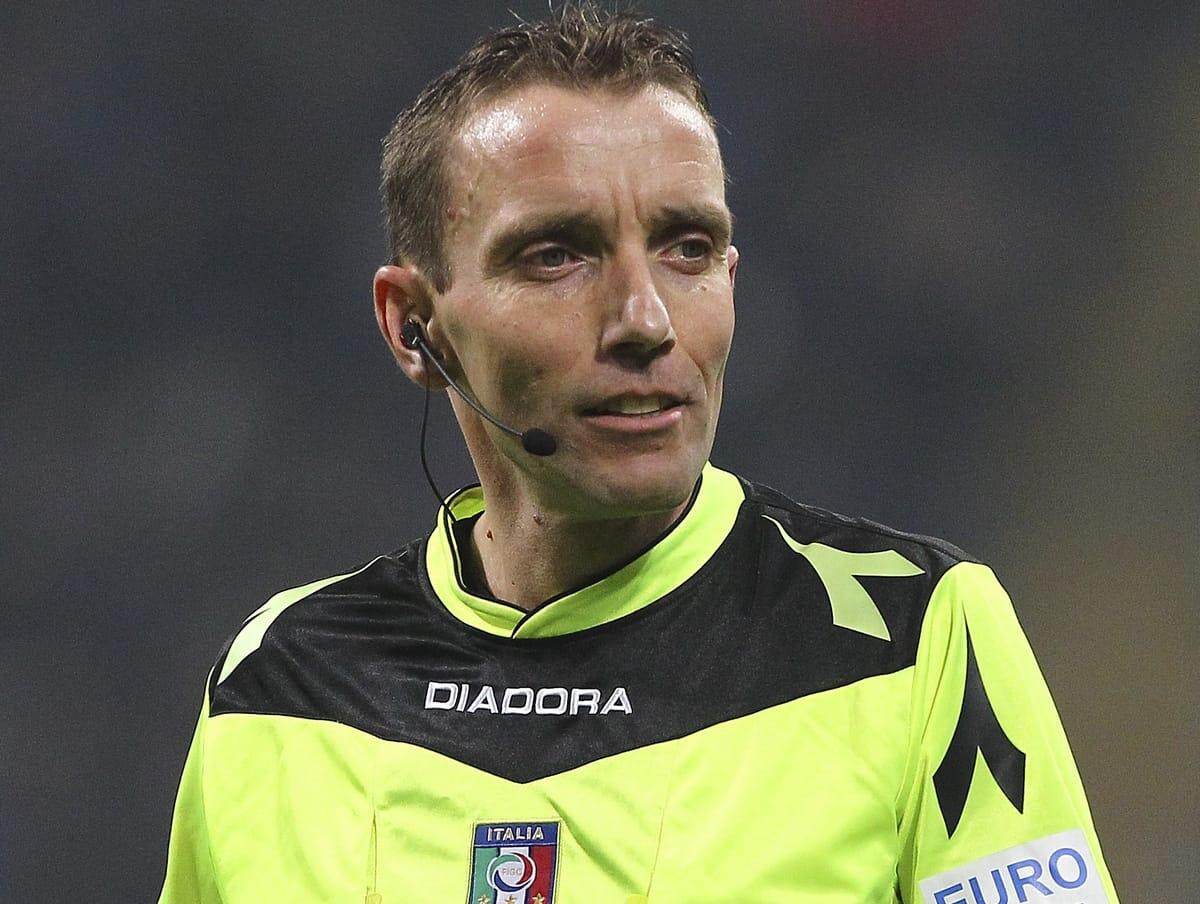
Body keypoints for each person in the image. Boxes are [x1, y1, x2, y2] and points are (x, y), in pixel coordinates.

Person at [157, 6, 1119, 903]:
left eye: (688, 248)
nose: (646, 320)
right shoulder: (280, 683)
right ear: (415, 326)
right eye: (556, 255)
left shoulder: (910, 637)